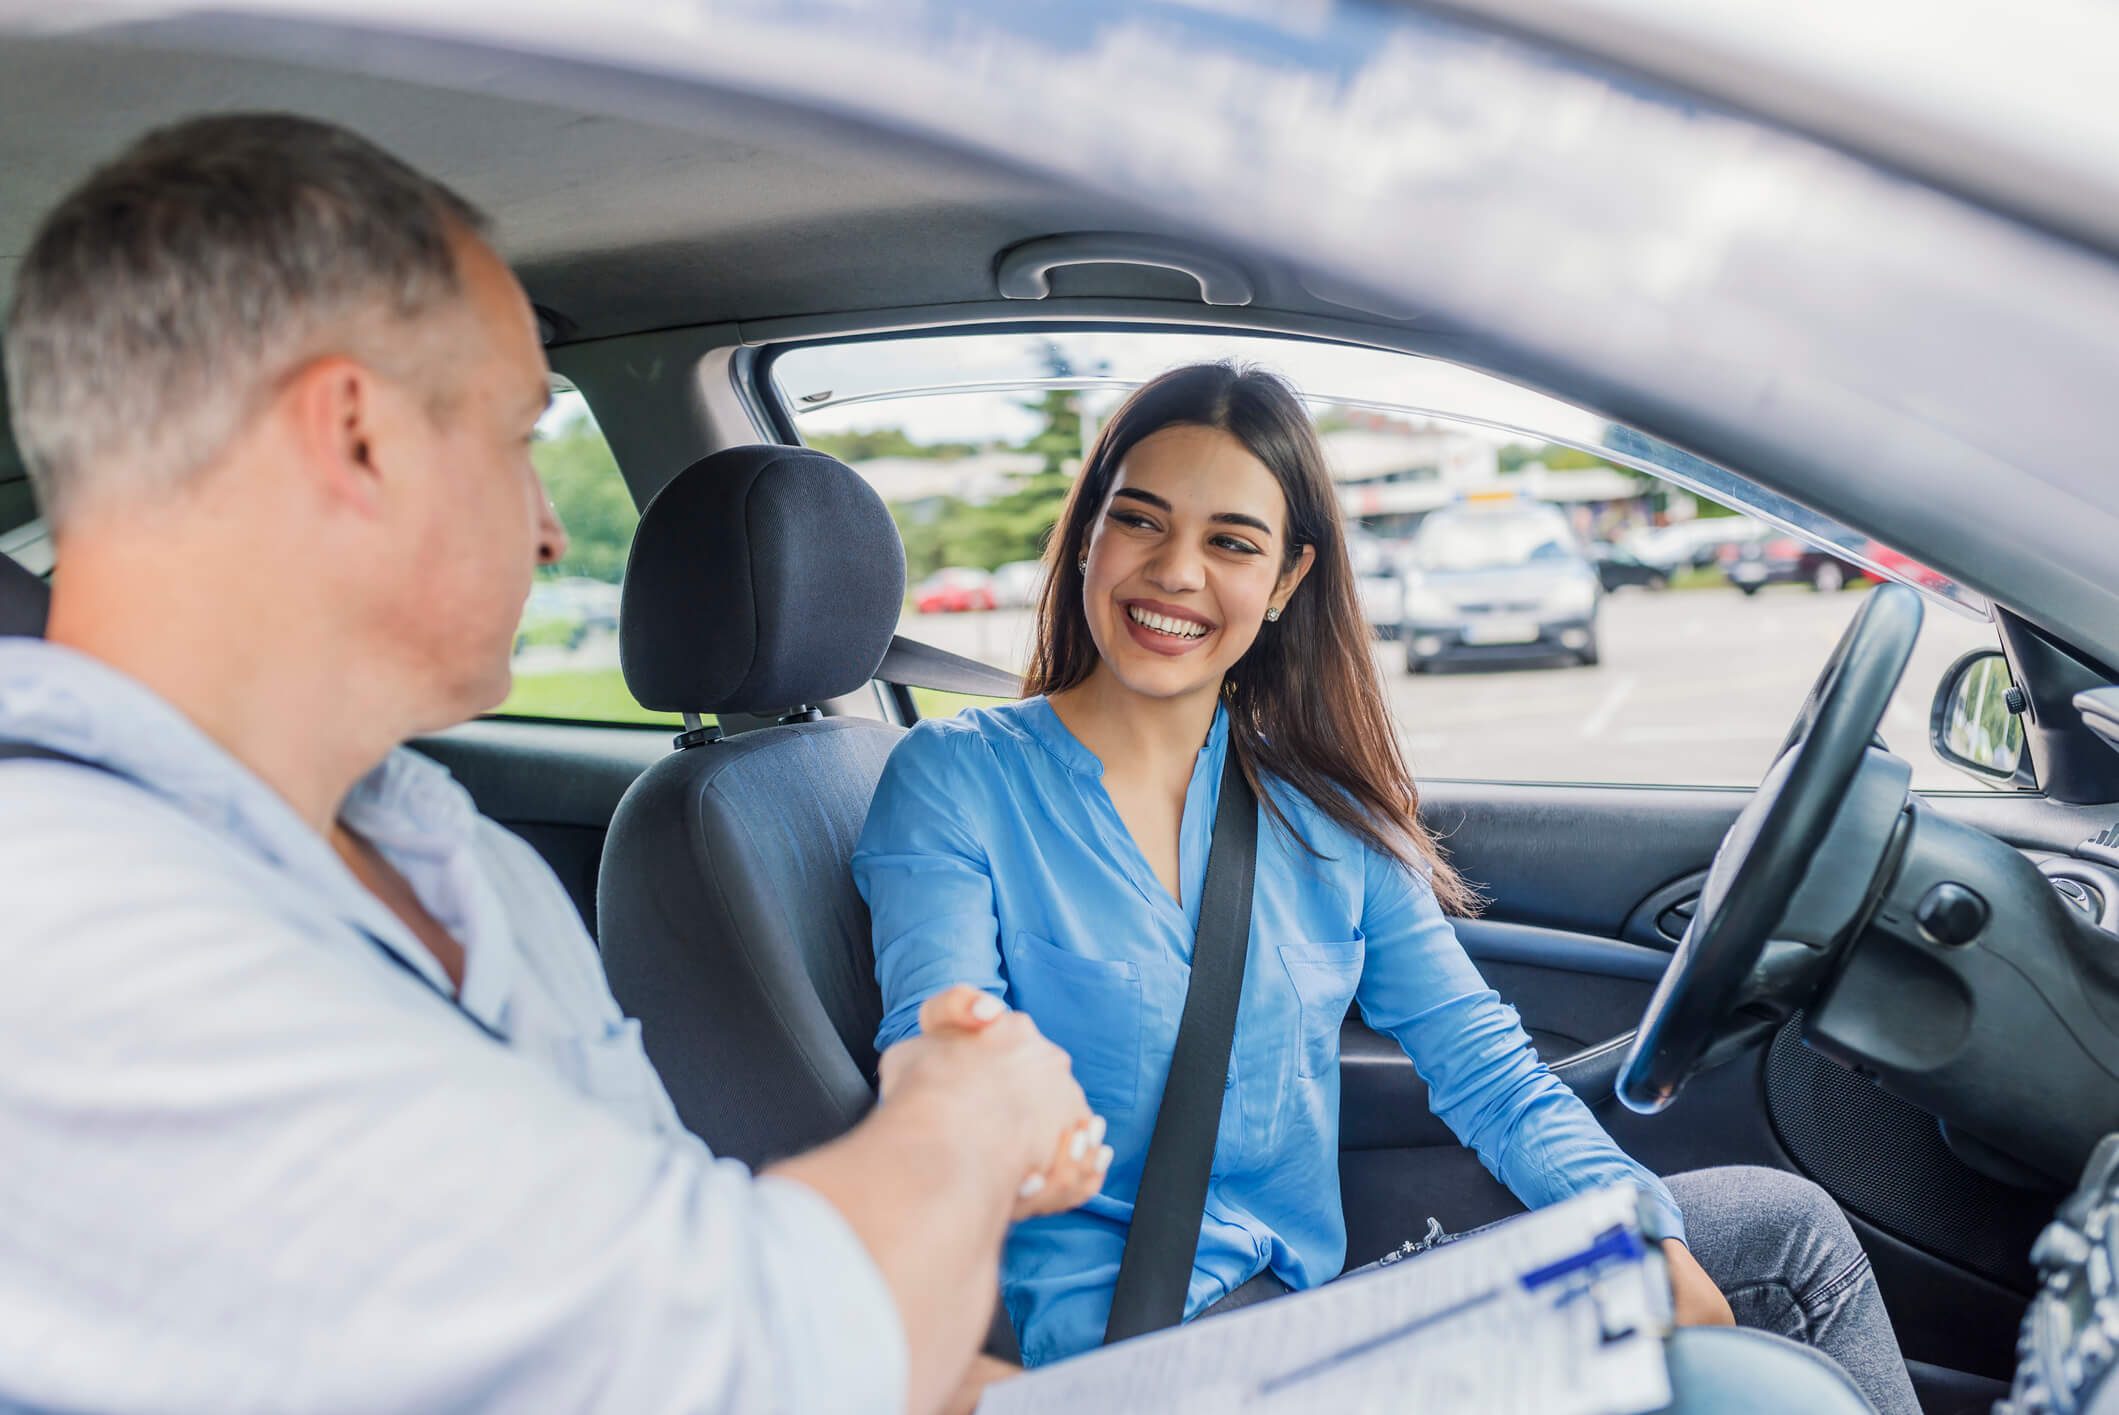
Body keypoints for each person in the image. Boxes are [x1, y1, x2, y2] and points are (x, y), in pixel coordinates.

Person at [0, 113, 1109, 1415]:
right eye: (520, 435)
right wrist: (965, 1106)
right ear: (354, 433)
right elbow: (731, 1359)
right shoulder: (63, 917)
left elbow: (676, 1249)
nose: (543, 530)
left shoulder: (456, 854)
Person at [854, 363, 1921, 1415]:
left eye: (1230, 541)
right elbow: (934, 1033)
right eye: (1138, 521)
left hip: (1313, 1319)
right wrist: (967, 1089)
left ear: (1283, 581)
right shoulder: (956, 780)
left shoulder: (1324, 817)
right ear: (1087, 534)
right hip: (1133, 1359)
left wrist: (1630, 1220)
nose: (1174, 570)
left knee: (1776, 1230)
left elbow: (1490, 1074)